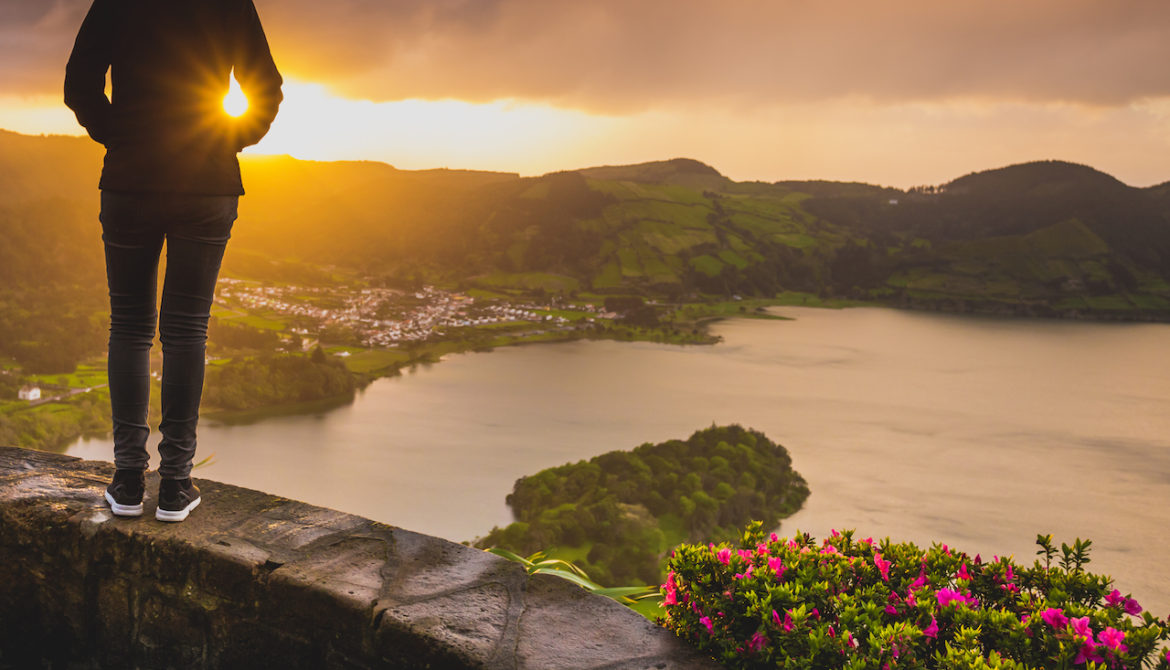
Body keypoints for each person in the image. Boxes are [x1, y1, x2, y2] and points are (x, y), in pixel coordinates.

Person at [65, 0, 282, 522]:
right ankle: (176, 485)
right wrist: (226, 139)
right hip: (205, 185)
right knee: (186, 330)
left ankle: (126, 480)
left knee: (131, 326)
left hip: (130, 182)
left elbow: (79, 84)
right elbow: (267, 91)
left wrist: (120, 136)